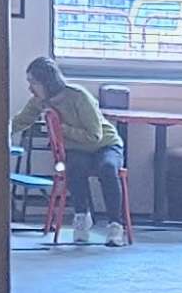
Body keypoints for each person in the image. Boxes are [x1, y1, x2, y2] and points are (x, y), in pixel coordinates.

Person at [15, 55, 126, 245]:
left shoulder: (78, 96)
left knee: (108, 168)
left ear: (47, 82)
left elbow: (94, 136)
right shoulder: (38, 101)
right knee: (74, 167)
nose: (30, 88)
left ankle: (116, 225)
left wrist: (62, 129)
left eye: (33, 82)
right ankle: (82, 216)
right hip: (76, 149)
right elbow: (21, 121)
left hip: (105, 145)